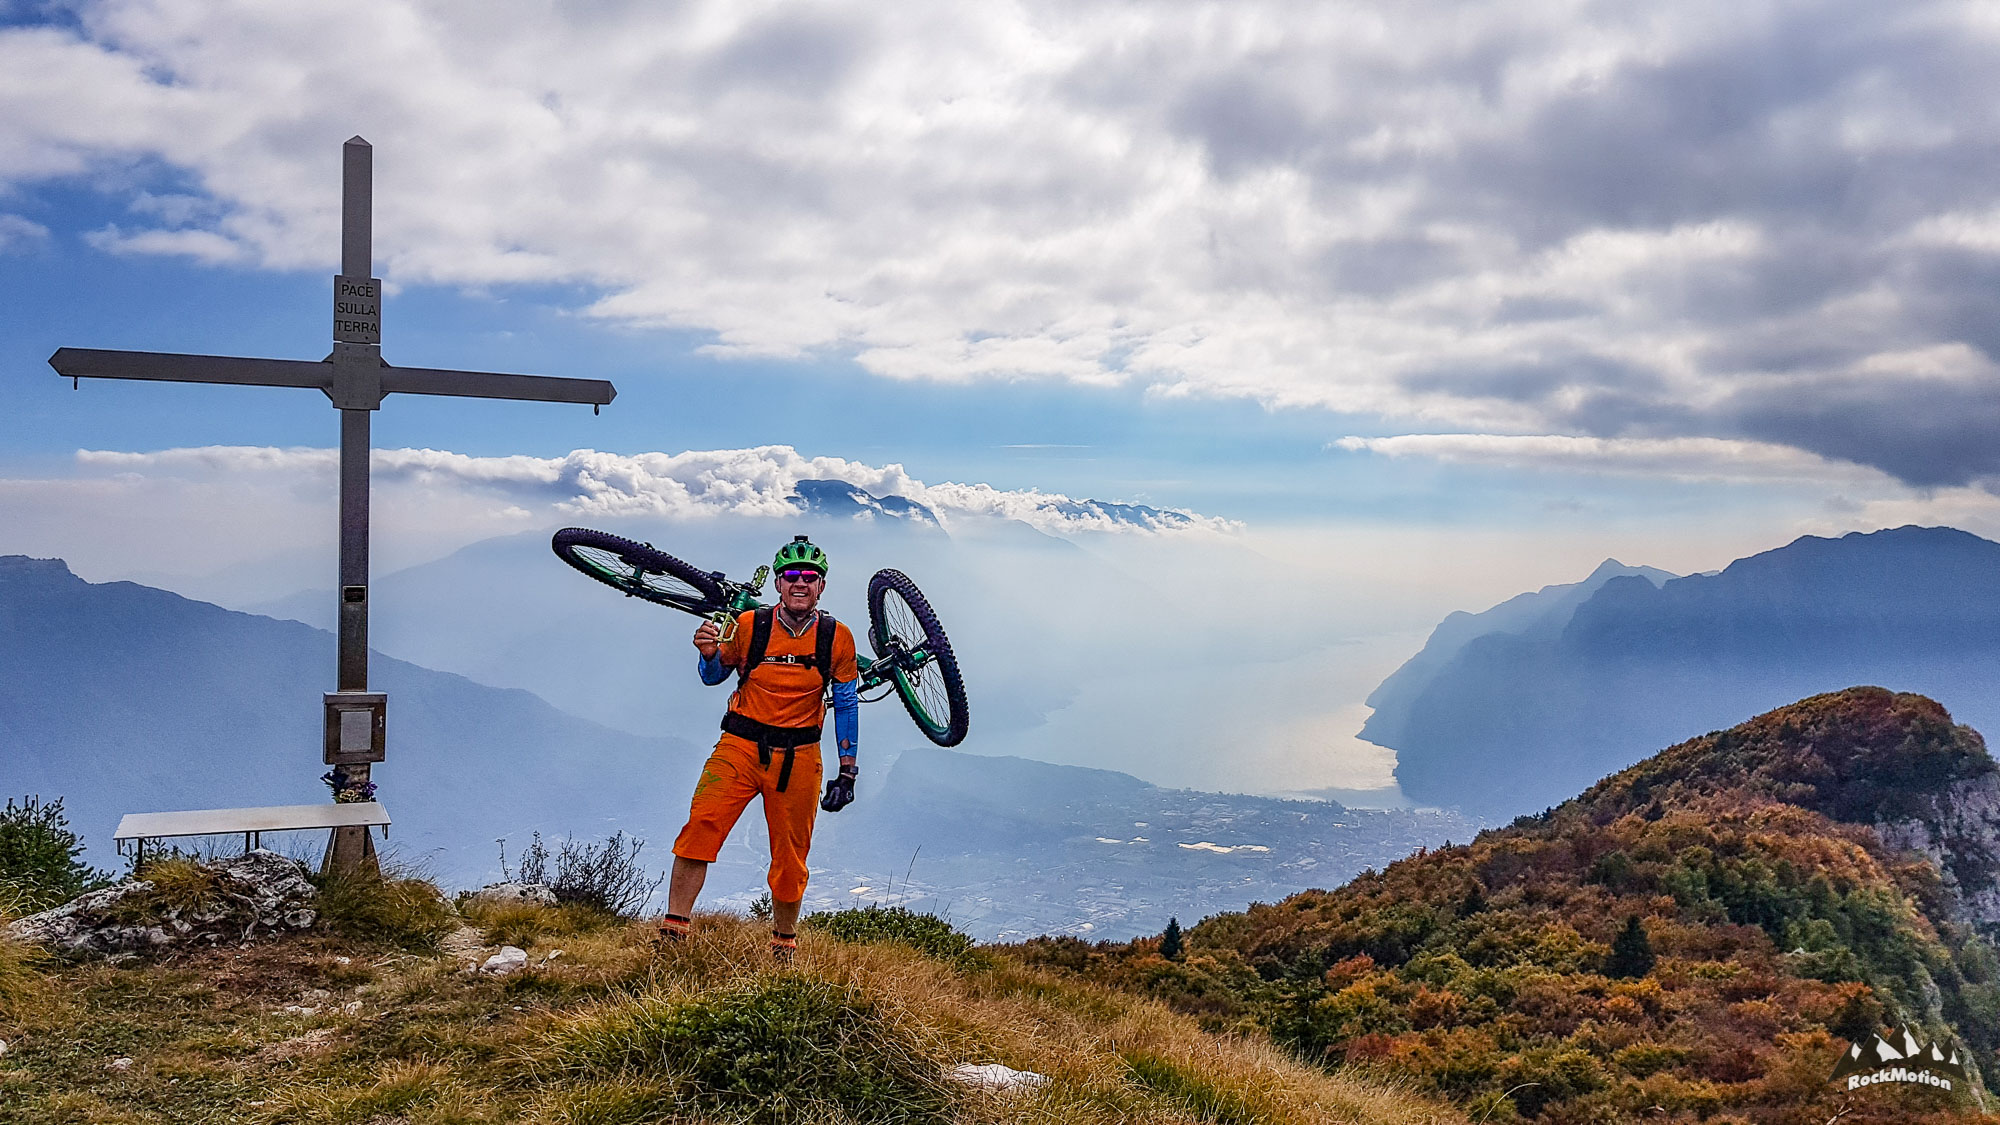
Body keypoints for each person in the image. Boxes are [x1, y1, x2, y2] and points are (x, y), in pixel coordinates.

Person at [658, 535, 861, 959]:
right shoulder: (752, 626)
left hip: (800, 756)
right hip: (739, 745)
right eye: (791, 576)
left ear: (822, 585)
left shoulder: (836, 638)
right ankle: (673, 933)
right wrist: (709, 654)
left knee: (791, 857)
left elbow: (845, 703)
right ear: (777, 584)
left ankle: (783, 946)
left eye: (810, 577)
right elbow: (713, 676)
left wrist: (848, 770)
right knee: (701, 825)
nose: (800, 584)